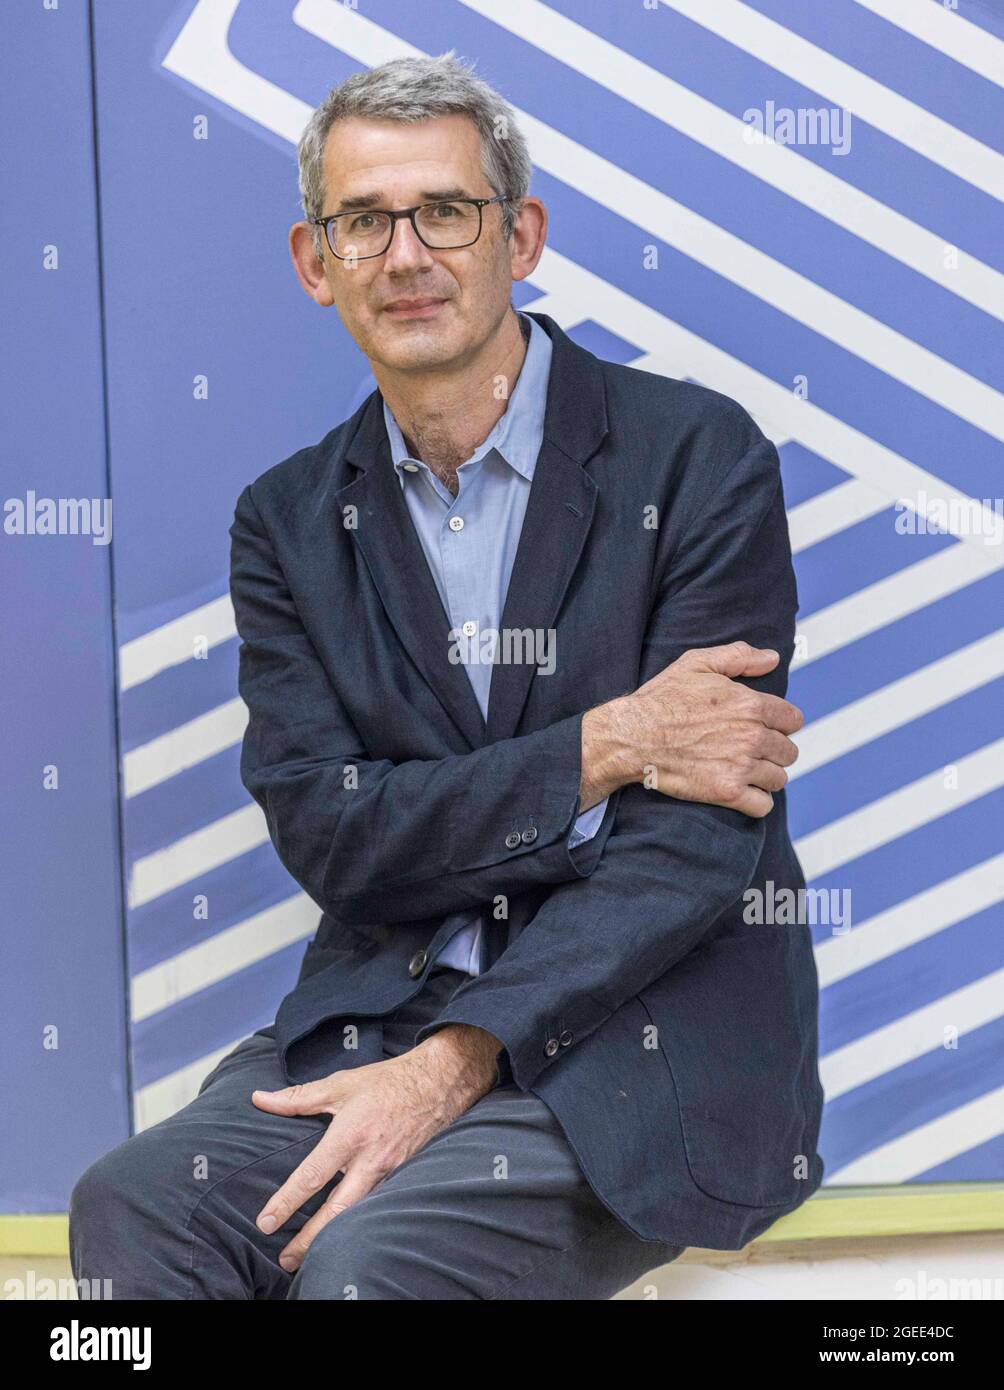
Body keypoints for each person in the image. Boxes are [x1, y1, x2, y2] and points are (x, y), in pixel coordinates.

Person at [70, 52, 824, 1301]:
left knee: (371, 1265)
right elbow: (338, 838)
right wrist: (605, 745)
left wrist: (463, 1055)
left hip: (641, 1038)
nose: (404, 252)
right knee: (135, 1207)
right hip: (385, 1010)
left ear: (517, 235)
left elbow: (688, 847)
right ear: (316, 264)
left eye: (444, 211)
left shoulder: (696, 457)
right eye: (362, 220)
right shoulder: (288, 522)